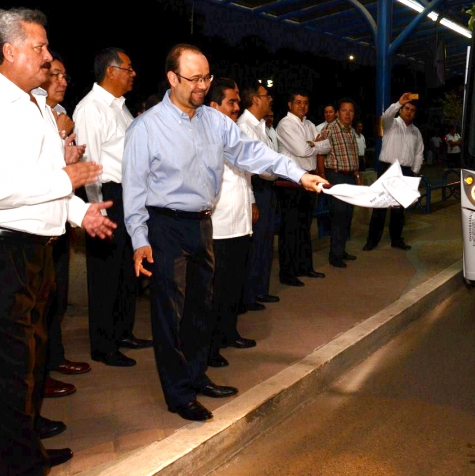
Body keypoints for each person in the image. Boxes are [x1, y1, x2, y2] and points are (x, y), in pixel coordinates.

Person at [0, 7, 115, 474]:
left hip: (33, 252)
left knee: (28, 365)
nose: (48, 56)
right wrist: (66, 181)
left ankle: (23, 450)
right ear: (9, 50)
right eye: (39, 47)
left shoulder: (36, 106)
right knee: (6, 373)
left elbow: (40, 183)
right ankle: (18, 465)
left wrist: (81, 213)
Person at [122, 44, 326, 422]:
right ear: (172, 79)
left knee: (202, 307)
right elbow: (133, 192)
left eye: (207, 77)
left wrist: (298, 173)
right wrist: (139, 240)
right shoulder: (146, 127)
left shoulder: (214, 122)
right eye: (194, 79)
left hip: (202, 224)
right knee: (170, 314)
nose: (203, 86)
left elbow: (254, 154)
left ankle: (197, 376)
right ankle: (178, 393)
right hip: (163, 225)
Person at [74, 47, 152, 368]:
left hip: (129, 195)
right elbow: (89, 163)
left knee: (125, 270)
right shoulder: (90, 109)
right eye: (129, 68)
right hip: (106, 195)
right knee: (105, 274)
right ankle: (103, 344)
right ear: (111, 71)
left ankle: (123, 331)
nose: (133, 74)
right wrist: (98, 212)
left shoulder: (121, 108)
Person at [32, 53, 92, 397]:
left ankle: (53, 359)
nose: (62, 81)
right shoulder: (38, 115)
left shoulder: (62, 116)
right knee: (39, 301)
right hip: (33, 220)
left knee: (55, 294)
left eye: (65, 75)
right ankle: (43, 369)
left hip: (59, 212)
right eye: (55, 74)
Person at [206, 78, 257, 369]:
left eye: (238, 101)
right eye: (232, 102)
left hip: (239, 222)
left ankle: (229, 332)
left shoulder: (236, 133)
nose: (238, 107)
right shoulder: (208, 136)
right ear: (214, 106)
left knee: (232, 286)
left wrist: (250, 202)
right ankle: (210, 347)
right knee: (214, 290)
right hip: (219, 224)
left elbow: (245, 175)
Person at [276, 89, 330, 286]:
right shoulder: (285, 124)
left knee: (305, 227)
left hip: (308, 180)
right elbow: (302, 150)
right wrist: (313, 145)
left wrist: (313, 145)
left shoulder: (308, 124)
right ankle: (287, 273)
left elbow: (328, 145)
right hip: (290, 183)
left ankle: (305, 267)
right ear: (290, 104)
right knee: (290, 229)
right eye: (298, 102)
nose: (302, 106)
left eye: (305, 102)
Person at [237, 79, 279, 307]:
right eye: (266, 95)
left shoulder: (261, 126)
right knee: (256, 244)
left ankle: (260, 289)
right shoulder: (245, 126)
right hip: (256, 187)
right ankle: (249, 294)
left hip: (267, 188)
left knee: (266, 241)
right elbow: (259, 167)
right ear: (255, 100)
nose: (270, 99)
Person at [363, 93, 424, 252]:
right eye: (406, 108)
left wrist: (414, 171)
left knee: (399, 209)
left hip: (405, 171)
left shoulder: (416, 132)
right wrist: (398, 102)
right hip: (387, 168)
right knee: (380, 206)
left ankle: (397, 240)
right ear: (401, 110)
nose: (409, 112)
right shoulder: (392, 123)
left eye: (412, 110)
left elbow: (419, 153)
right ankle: (372, 241)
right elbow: (386, 116)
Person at [318, 98, 360, 268]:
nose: (348, 114)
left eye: (351, 111)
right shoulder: (330, 130)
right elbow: (319, 153)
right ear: (337, 112)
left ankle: (341, 250)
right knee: (338, 215)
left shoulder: (351, 131)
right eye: (344, 110)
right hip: (336, 176)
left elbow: (353, 155)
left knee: (348, 215)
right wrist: (322, 176)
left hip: (350, 176)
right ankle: (335, 256)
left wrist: (357, 176)